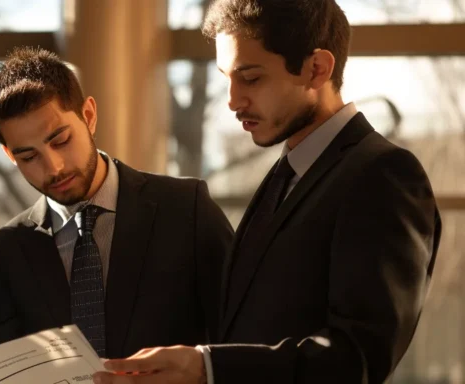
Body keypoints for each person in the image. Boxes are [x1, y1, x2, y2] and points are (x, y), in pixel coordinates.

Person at [95, 1, 442, 383]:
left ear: (317, 69)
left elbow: (357, 359)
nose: (232, 100)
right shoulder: (286, 175)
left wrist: (207, 367)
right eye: (227, 77)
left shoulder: (382, 175)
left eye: (251, 78)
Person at [0, 47, 234, 360]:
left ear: (89, 116)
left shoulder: (185, 210)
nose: (54, 167)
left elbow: (238, 339)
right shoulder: (0, 257)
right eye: (28, 156)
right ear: (9, 155)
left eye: (61, 140)